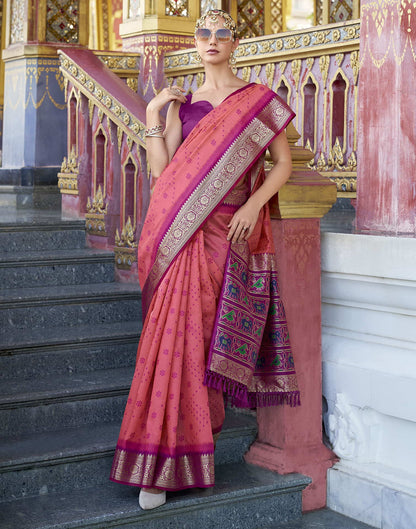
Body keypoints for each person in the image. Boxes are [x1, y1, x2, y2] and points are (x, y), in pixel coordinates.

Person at [110, 9, 300, 510]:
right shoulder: (185, 105)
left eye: (221, 33)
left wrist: (256, 204)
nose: (212, 40)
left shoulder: (257, 102)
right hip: (179, 233)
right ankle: (161, 461)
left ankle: (190, 445)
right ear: (194, 44)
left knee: (199, 338)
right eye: (203, 33)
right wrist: (153, 114)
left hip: (227, 231)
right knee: (173, 336)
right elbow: (163, 172)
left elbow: (282, 164)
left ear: (234, 43)